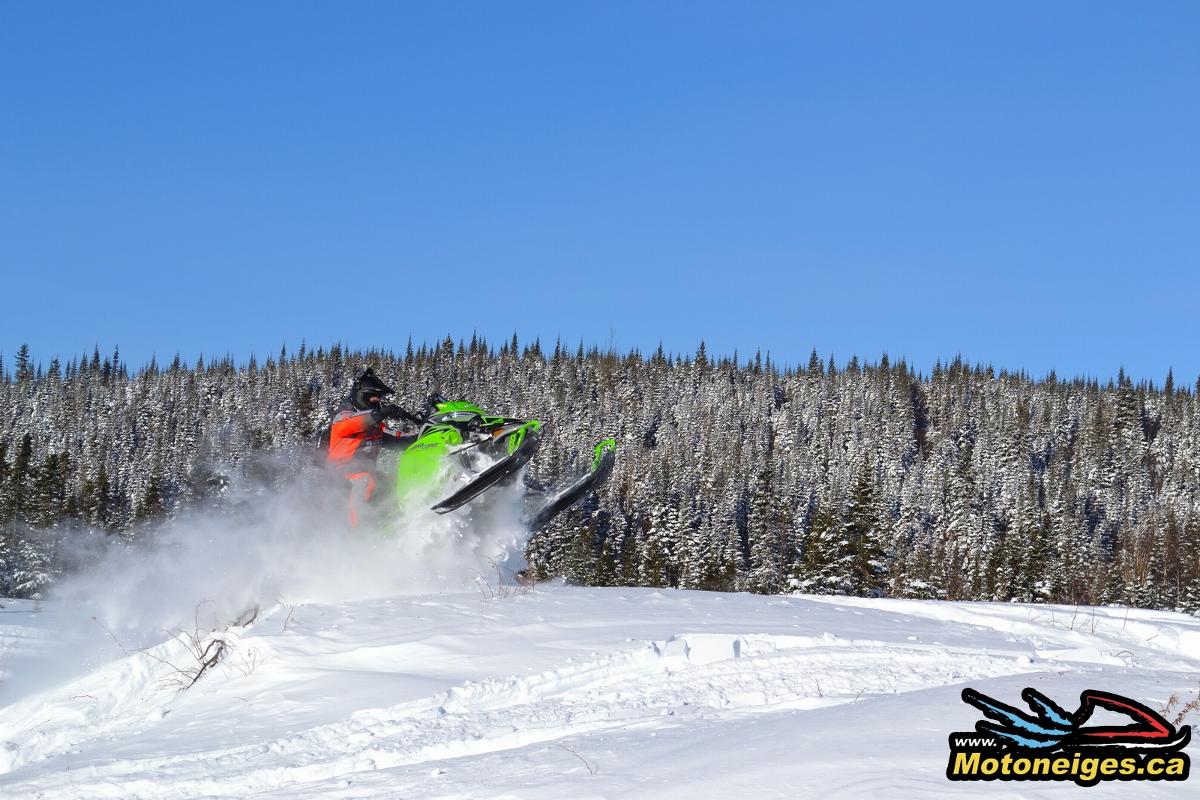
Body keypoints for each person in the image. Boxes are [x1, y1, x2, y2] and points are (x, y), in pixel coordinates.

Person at [326, 368, 420, 527]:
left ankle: (396, 525)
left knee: (392, 482)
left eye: (379, 399)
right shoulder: (343, 418)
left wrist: (426, 433)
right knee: (366, 480)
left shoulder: (376, 428)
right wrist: (384, 412)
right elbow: (359, 421)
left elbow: (398, 440)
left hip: (365, 475)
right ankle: (358, 532)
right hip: (339, 477)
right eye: (373, 398)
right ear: (362, 396)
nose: (377, 401)